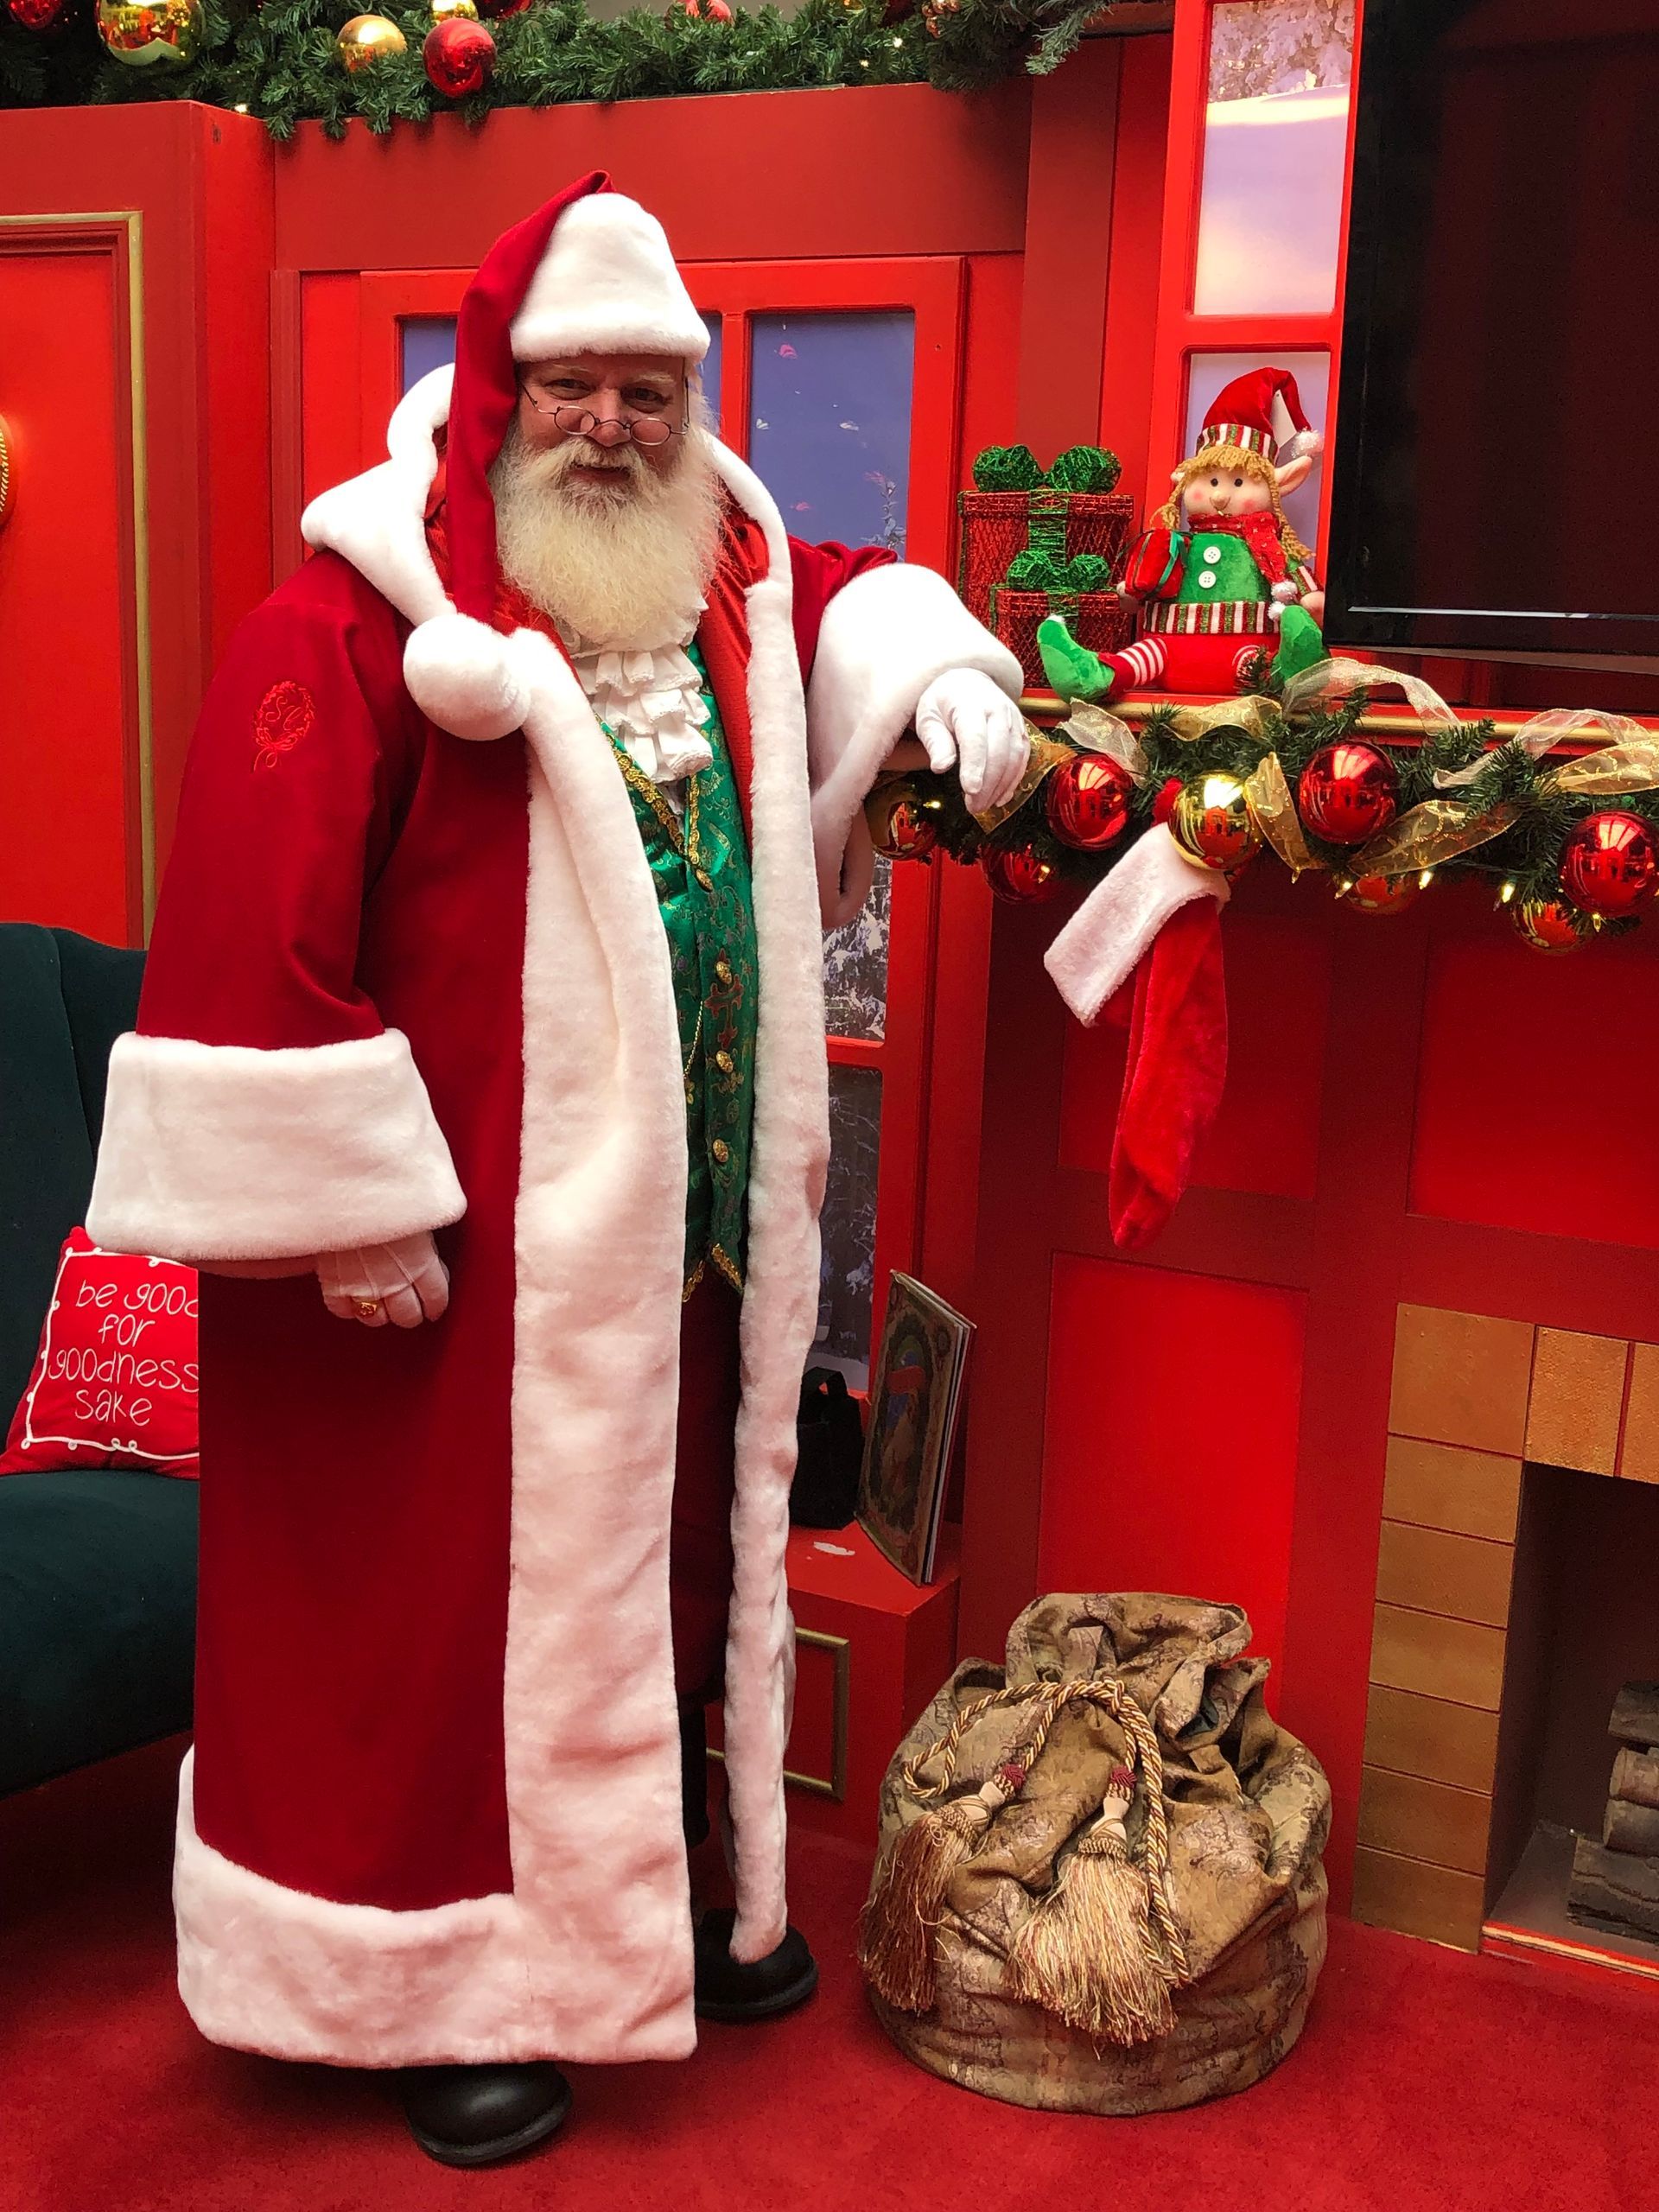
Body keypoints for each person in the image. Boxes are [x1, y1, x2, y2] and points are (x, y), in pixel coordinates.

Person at [86, 173, 1027, 2169]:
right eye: (572, 385)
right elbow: (251, 933)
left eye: (647, 391)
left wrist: (939, 669)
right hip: (445, 1260)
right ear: (497, 393)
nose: (610, 424)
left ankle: (643, 1903)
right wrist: (346, 1209)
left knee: (655, 1579)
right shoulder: (350, 617)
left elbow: (842, 591)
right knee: (436, 1630)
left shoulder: (717, 575)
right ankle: (447, 1987)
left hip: (674, 1236)